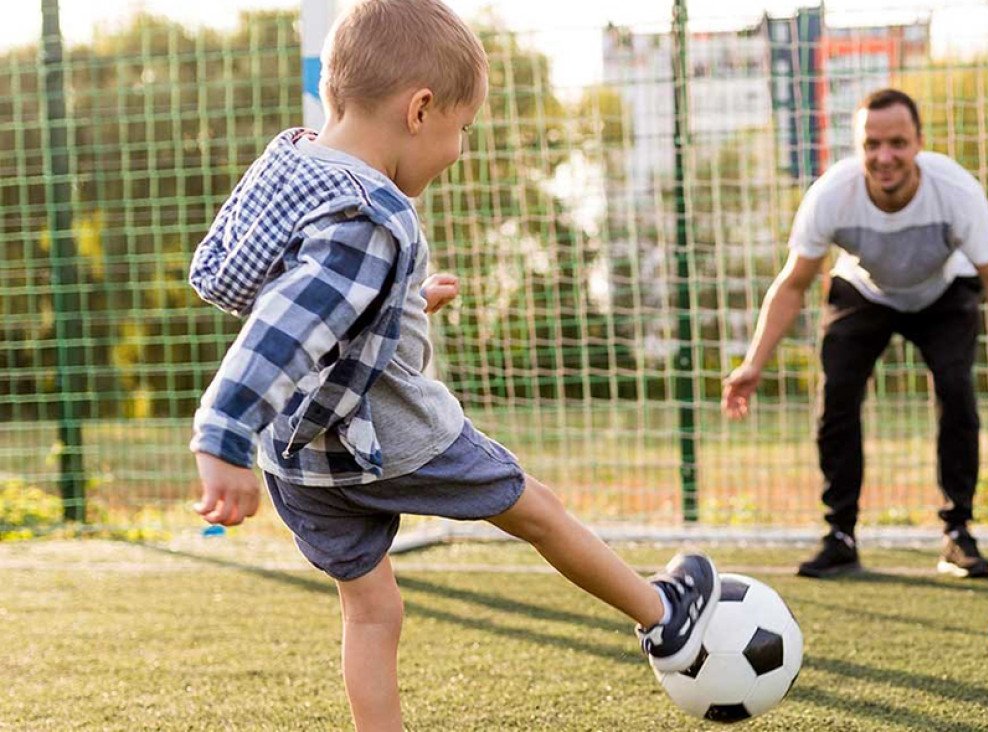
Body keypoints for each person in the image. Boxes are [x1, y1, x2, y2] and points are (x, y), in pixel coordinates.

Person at [185, 2, 717, 729]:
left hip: (302, 465)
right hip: (391, 438)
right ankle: (663, 616)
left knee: (371, 611)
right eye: (461, 130)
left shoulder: (293, 167)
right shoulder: (367, 218)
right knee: (538, 512)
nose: (458, 148)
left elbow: (249, 280)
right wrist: (220, 437)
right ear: (420, 109)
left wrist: (396, 299)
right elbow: (278, 333)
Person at [722, 88, 988, 580]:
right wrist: (753, 363)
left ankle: (958, 532)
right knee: (836, 397)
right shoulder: (832, 195)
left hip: (942, 291)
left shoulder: (956, 191)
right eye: (871, 144)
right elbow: (793, 284)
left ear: (919, 142)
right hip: (864, 290)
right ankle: (840, 535)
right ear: (858, 146)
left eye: (897, 143)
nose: (884, 157)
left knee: (957, 392)